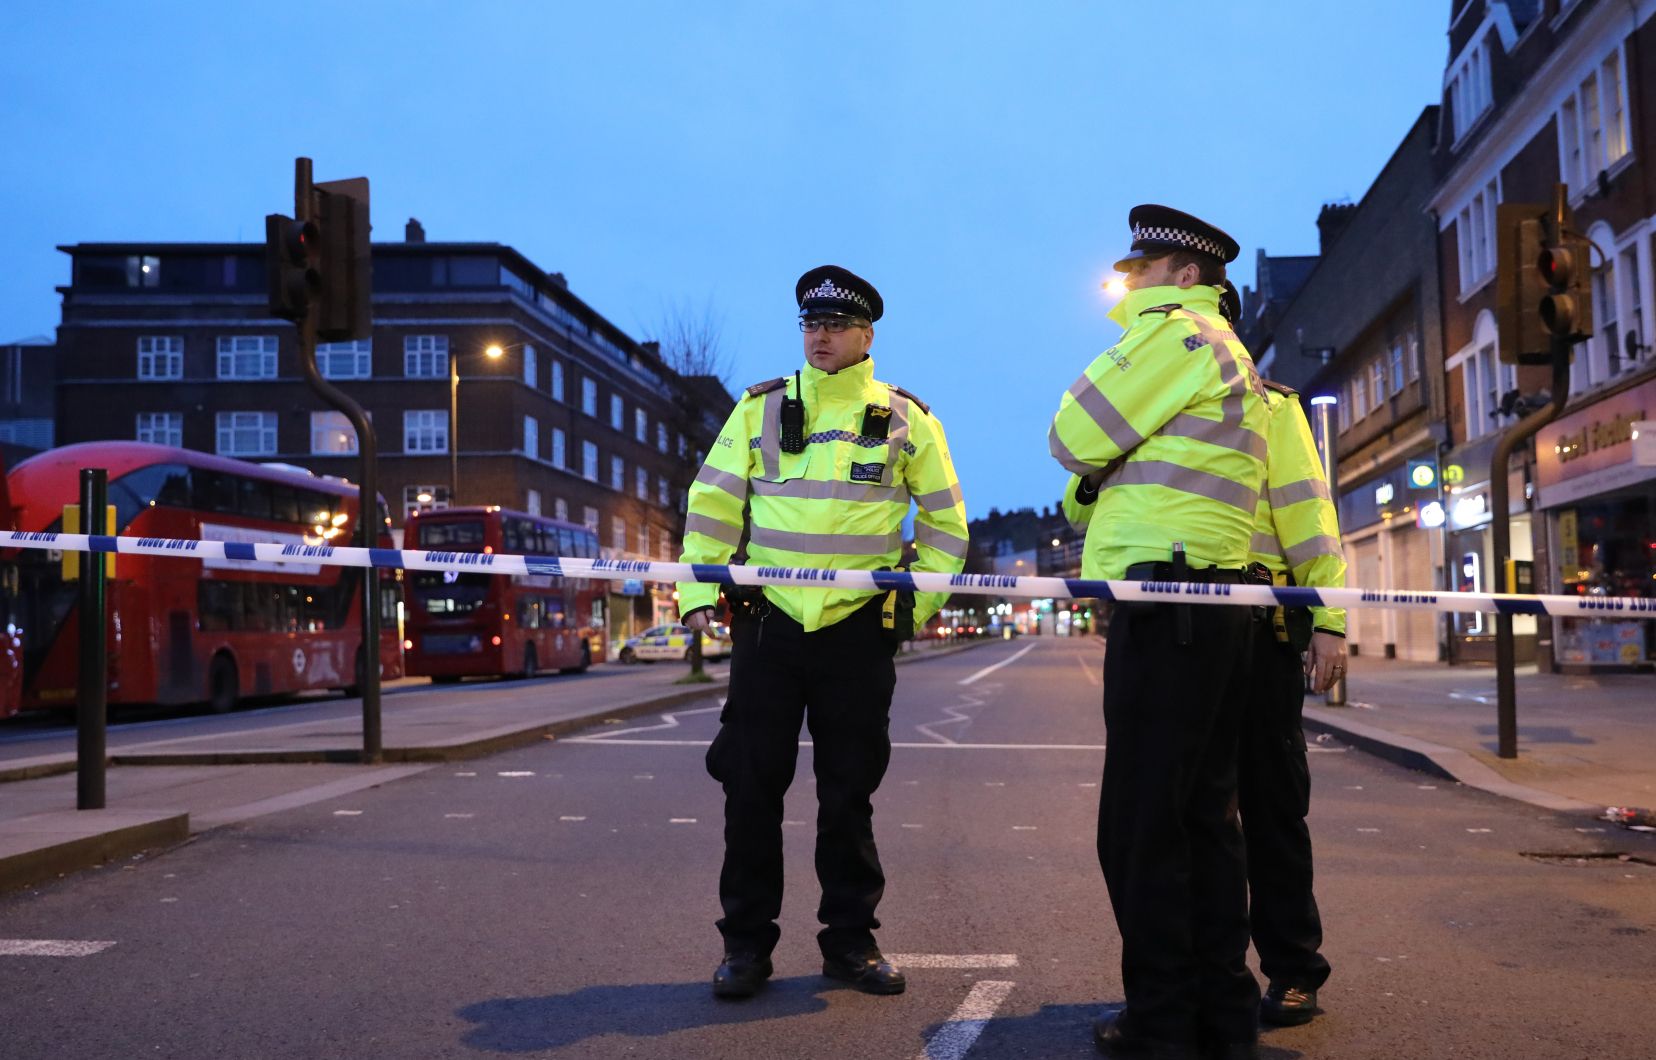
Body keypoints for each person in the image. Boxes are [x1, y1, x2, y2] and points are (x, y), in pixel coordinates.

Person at [677, 265, 969, 1000]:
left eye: (836, 325)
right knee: (750, 792)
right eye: (811, 324)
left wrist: (910, 611)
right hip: (769, 628)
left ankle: (851, 943)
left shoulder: (906, 418)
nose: (821, 336)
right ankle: (745, 946)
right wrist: (699, 593)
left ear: (867, 334)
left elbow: (946, 528)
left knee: (847, 798)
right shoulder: (758, 410)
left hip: (854, 636)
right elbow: (710, 506)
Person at [1050, 205, 1268, 1059]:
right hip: (1213, 603)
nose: (1126, 279)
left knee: (1143, 825)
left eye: (1139, 266)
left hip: (1170, 600)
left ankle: (1162, 1018)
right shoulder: (1228, 353)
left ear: (1186, 276)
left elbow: (1071, 438)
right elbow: (1094, 483)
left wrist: (1129, 342)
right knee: (1205, 817)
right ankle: (1222, 1010)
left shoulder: (1177, 336)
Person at [1239, 379, 1348, 1028]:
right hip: (1171, 633)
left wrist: (1330, 619)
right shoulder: (1141, 391)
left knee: (1272, 809)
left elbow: (1308, 513)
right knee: (1189, 818)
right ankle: (1208, 974)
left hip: (1260, 630)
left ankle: (1293, 969)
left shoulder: (1268, 404)